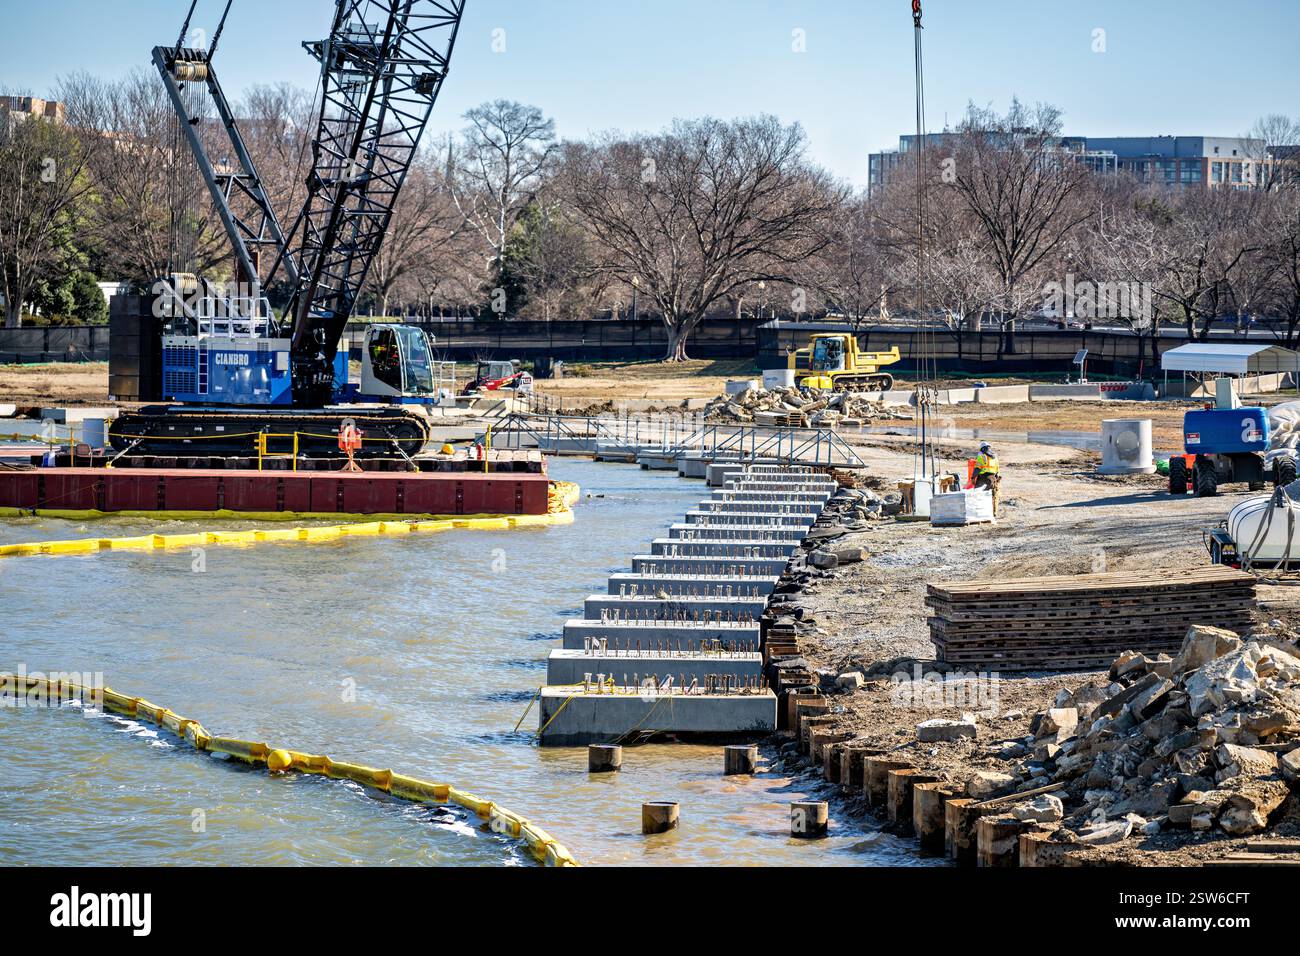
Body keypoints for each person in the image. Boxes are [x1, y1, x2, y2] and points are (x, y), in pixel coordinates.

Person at [973, 442, 1001, 514]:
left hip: (983, 478)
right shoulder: (995, 458)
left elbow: (977, 468)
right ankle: (993, 512)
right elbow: (997, 470)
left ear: (982, 449)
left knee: (978, 494)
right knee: (993, 496)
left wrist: (973, 477)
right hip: (993, 479)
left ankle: (980, 511)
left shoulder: (982, 457)